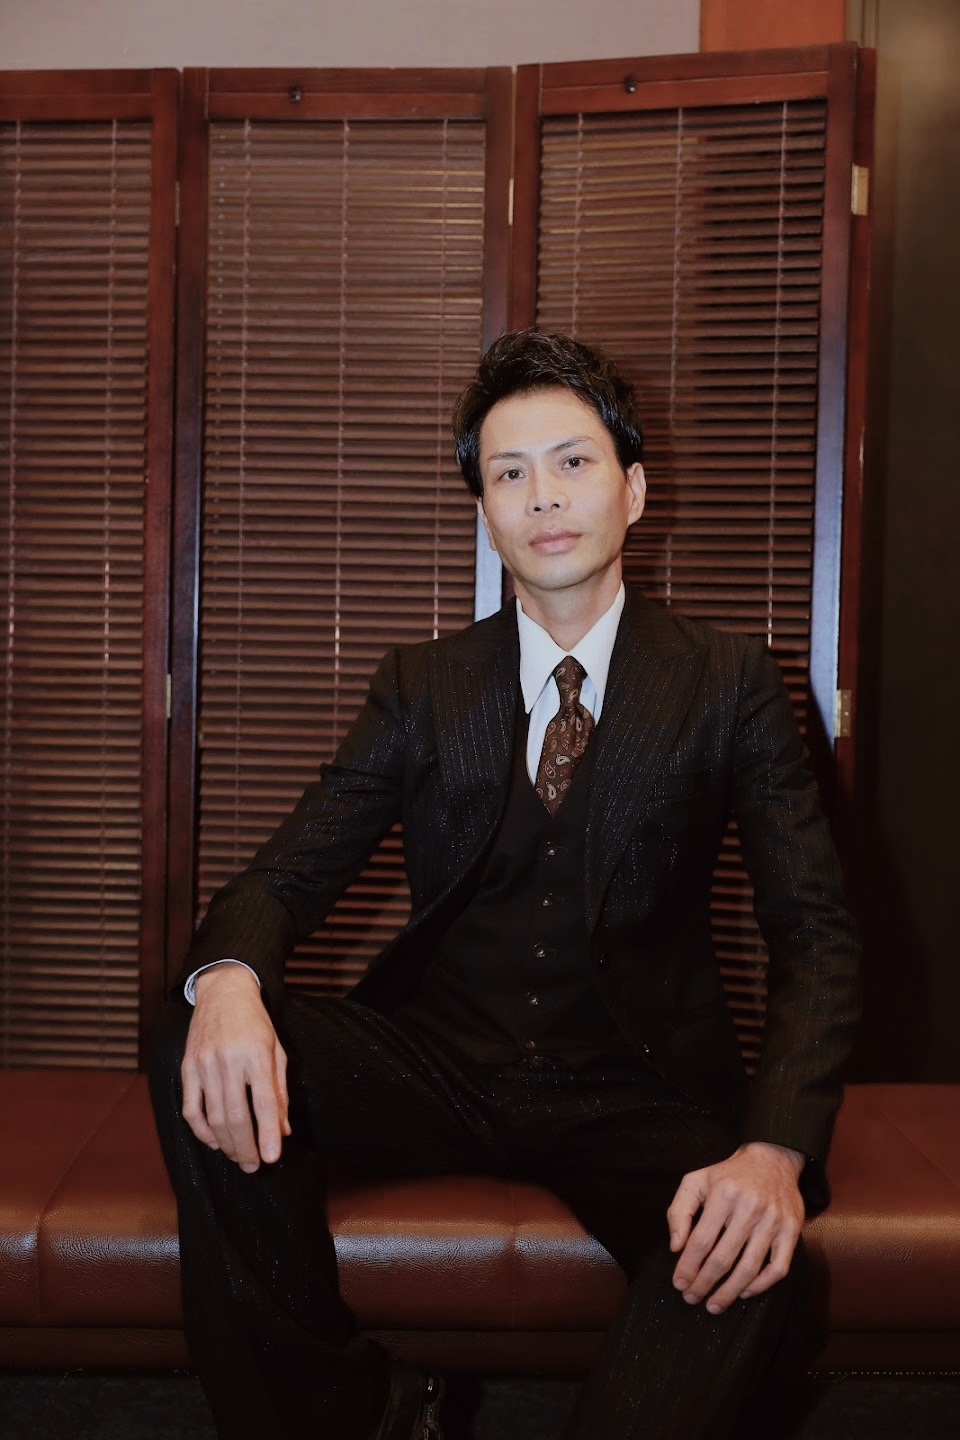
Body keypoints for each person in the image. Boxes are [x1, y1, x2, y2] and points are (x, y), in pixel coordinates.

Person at [150, 329, 860, 1440]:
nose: (544, 497)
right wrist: (231, 978)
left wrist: (772, 1152)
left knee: (758, 1265)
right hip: (438, 1066)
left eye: (573, 463)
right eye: (509, 473)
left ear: (633, 489)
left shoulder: (727, 681)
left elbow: (815, 933)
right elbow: (287, 871)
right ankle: (362, 1416)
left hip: (634, 1085)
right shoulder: (424, 684)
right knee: (190, 1018)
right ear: (485, 511)